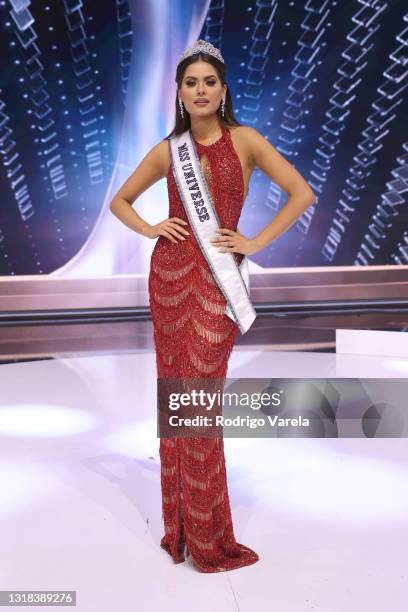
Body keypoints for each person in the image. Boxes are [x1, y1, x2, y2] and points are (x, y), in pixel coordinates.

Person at [109, 39, 315, 572]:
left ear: (223, 90)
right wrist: (152, 227)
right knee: (176, 400)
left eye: (209, 82)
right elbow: (120, 201)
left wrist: (254, 242)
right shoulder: (166, 149)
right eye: (190, 82)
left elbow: (301, 193)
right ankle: (180, 530)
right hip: (169, 279)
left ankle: (207, 539)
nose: (199, 90)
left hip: (215, 284)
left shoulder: (245, 140)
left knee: (199, 399)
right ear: (178, 92)